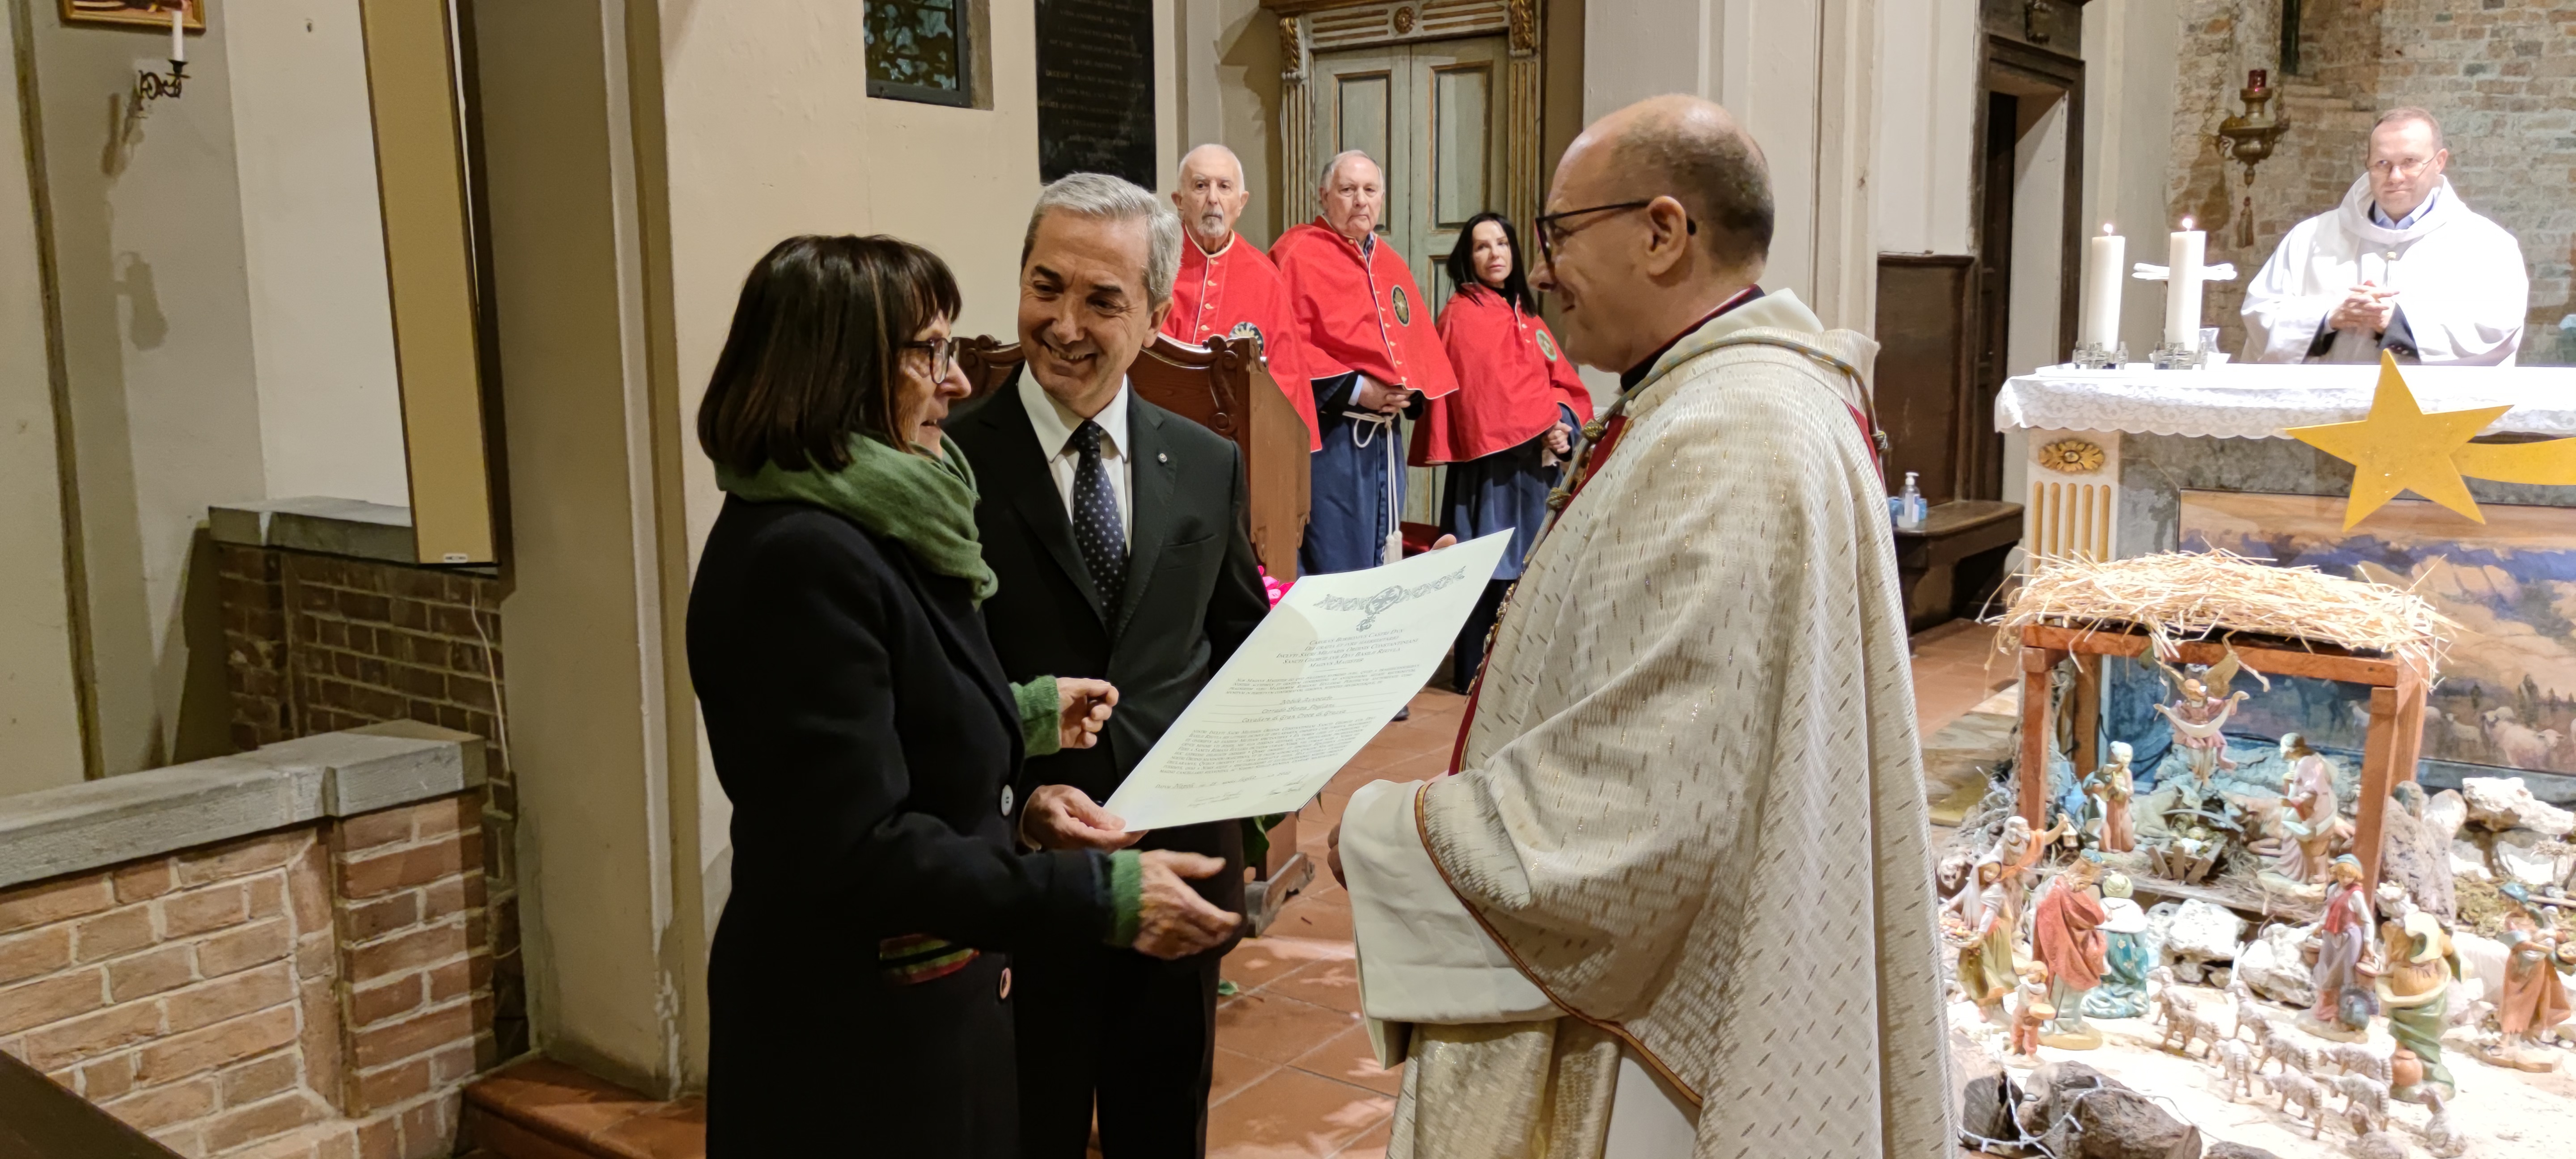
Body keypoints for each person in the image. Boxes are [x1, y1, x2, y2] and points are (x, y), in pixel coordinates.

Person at [1328, 95, 1951, 1158]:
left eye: (1559, 233)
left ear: (1661, 231)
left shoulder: (1732, 434)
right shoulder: (1724, 398)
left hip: (1646, 1038)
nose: (1541, 267)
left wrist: (1382, 832)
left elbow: (1641, 811)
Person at [686, 235, 1241, 1157]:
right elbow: (859, 849)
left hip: (931, 1007)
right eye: (929, 351)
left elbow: (894, 720)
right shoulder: (801, 555)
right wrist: (1095, 895)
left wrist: (1020, 785)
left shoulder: (883, 514)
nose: (955, 379)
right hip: (856, 1040)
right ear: (839, 371)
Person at [948, 173, 1270, 1159]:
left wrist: (1254, 812)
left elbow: (1241, 642)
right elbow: (933, 687)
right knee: (1026, 1123)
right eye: (1047, 288)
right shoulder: (952, 465)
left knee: (1163, 1122)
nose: (1065, 324)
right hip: (1030, 869)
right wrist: (1019, 801)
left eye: (1102, 300)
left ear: (1158, 311)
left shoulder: (1204, 461)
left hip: (1181, 860)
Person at [1411, 211, 1594, 692]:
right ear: (1468, 259)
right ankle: (1479, 672)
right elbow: (1483, 395)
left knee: (1535, 569)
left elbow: (1561, 383)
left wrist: (1562, 423)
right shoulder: (1462, 315)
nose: (1494, 255)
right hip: (1490, 471)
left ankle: (1529, 670)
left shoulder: (1528, 316)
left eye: (1501, 244)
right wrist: (1544, 422)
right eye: (1482, 247)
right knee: (1489, 569)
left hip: (1537, 472)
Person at [1271, 150, 1459, 575]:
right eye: (1348, 190)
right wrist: (1359, 389)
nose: (1361, 200)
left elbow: (1412, 340)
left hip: (1383, 438)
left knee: (1382, 558)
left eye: (1370, 190)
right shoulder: (1297, 252)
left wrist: (1408, 388)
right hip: (1330, 438)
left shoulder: (1389, 260)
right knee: (1337, 561)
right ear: (1324, 196)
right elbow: (1284, 344)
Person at [2241, 108, 2528, 365]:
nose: (2395, 176)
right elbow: (2261, 314)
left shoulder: (2487, 244)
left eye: (2410, 161)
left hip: (2433, 416)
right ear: (2367, 163)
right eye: (2382, 163)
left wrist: (2398, 323)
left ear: (2439, 162)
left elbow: (2498, 327)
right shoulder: (2310, 237)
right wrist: (2329, 318)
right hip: (2327, 410)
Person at [1163, 144, 1322, 450]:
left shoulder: (1265, 277)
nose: (1213, 198)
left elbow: (1285, 377)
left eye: (1224, 187)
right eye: (1200, 186)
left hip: (1238, 448)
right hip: (1161, 440)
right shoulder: (1153, 263)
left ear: (1241, 202)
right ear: (1179, 201)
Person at [2305, 854, 2375, 1040]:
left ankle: (2342, 1015)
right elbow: (2328, 911)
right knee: (2324, 970)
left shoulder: (2356, 894)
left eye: (2348, 876)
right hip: (2331, 935)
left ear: (2355, 876)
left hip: (2349, 938)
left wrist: (2368, 944)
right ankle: (2325, 1010)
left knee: (2345, 975)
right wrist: (2320, 926)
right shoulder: (2334, 889)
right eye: (2341, 875)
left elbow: (2368, 921)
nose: (2344, 879)